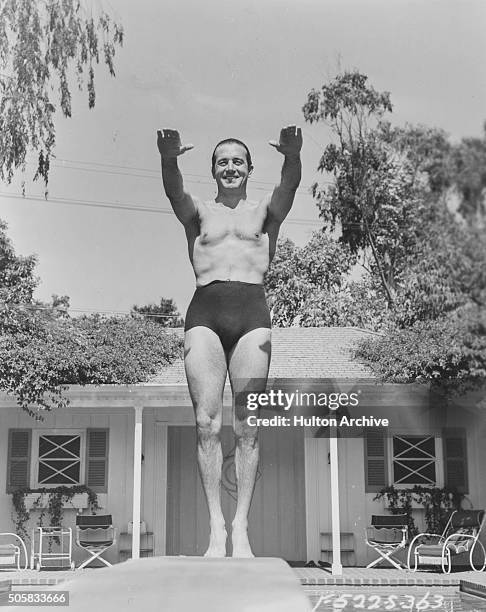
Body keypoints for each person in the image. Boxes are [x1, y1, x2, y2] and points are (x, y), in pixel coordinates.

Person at [157, 126, 302, 557]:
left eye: (238, 160)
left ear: (250, 168)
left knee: (248, 428)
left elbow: (289, 184)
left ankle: (241, 527)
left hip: (252, 317)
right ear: (214, 170)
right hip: (205, 314)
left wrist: (292, 154)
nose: (231, 167)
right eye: (223, 161)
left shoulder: (264, 213)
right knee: (206, 424)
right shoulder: (199, 212)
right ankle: (215, 527)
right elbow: (174, 193)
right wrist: (168, 159)